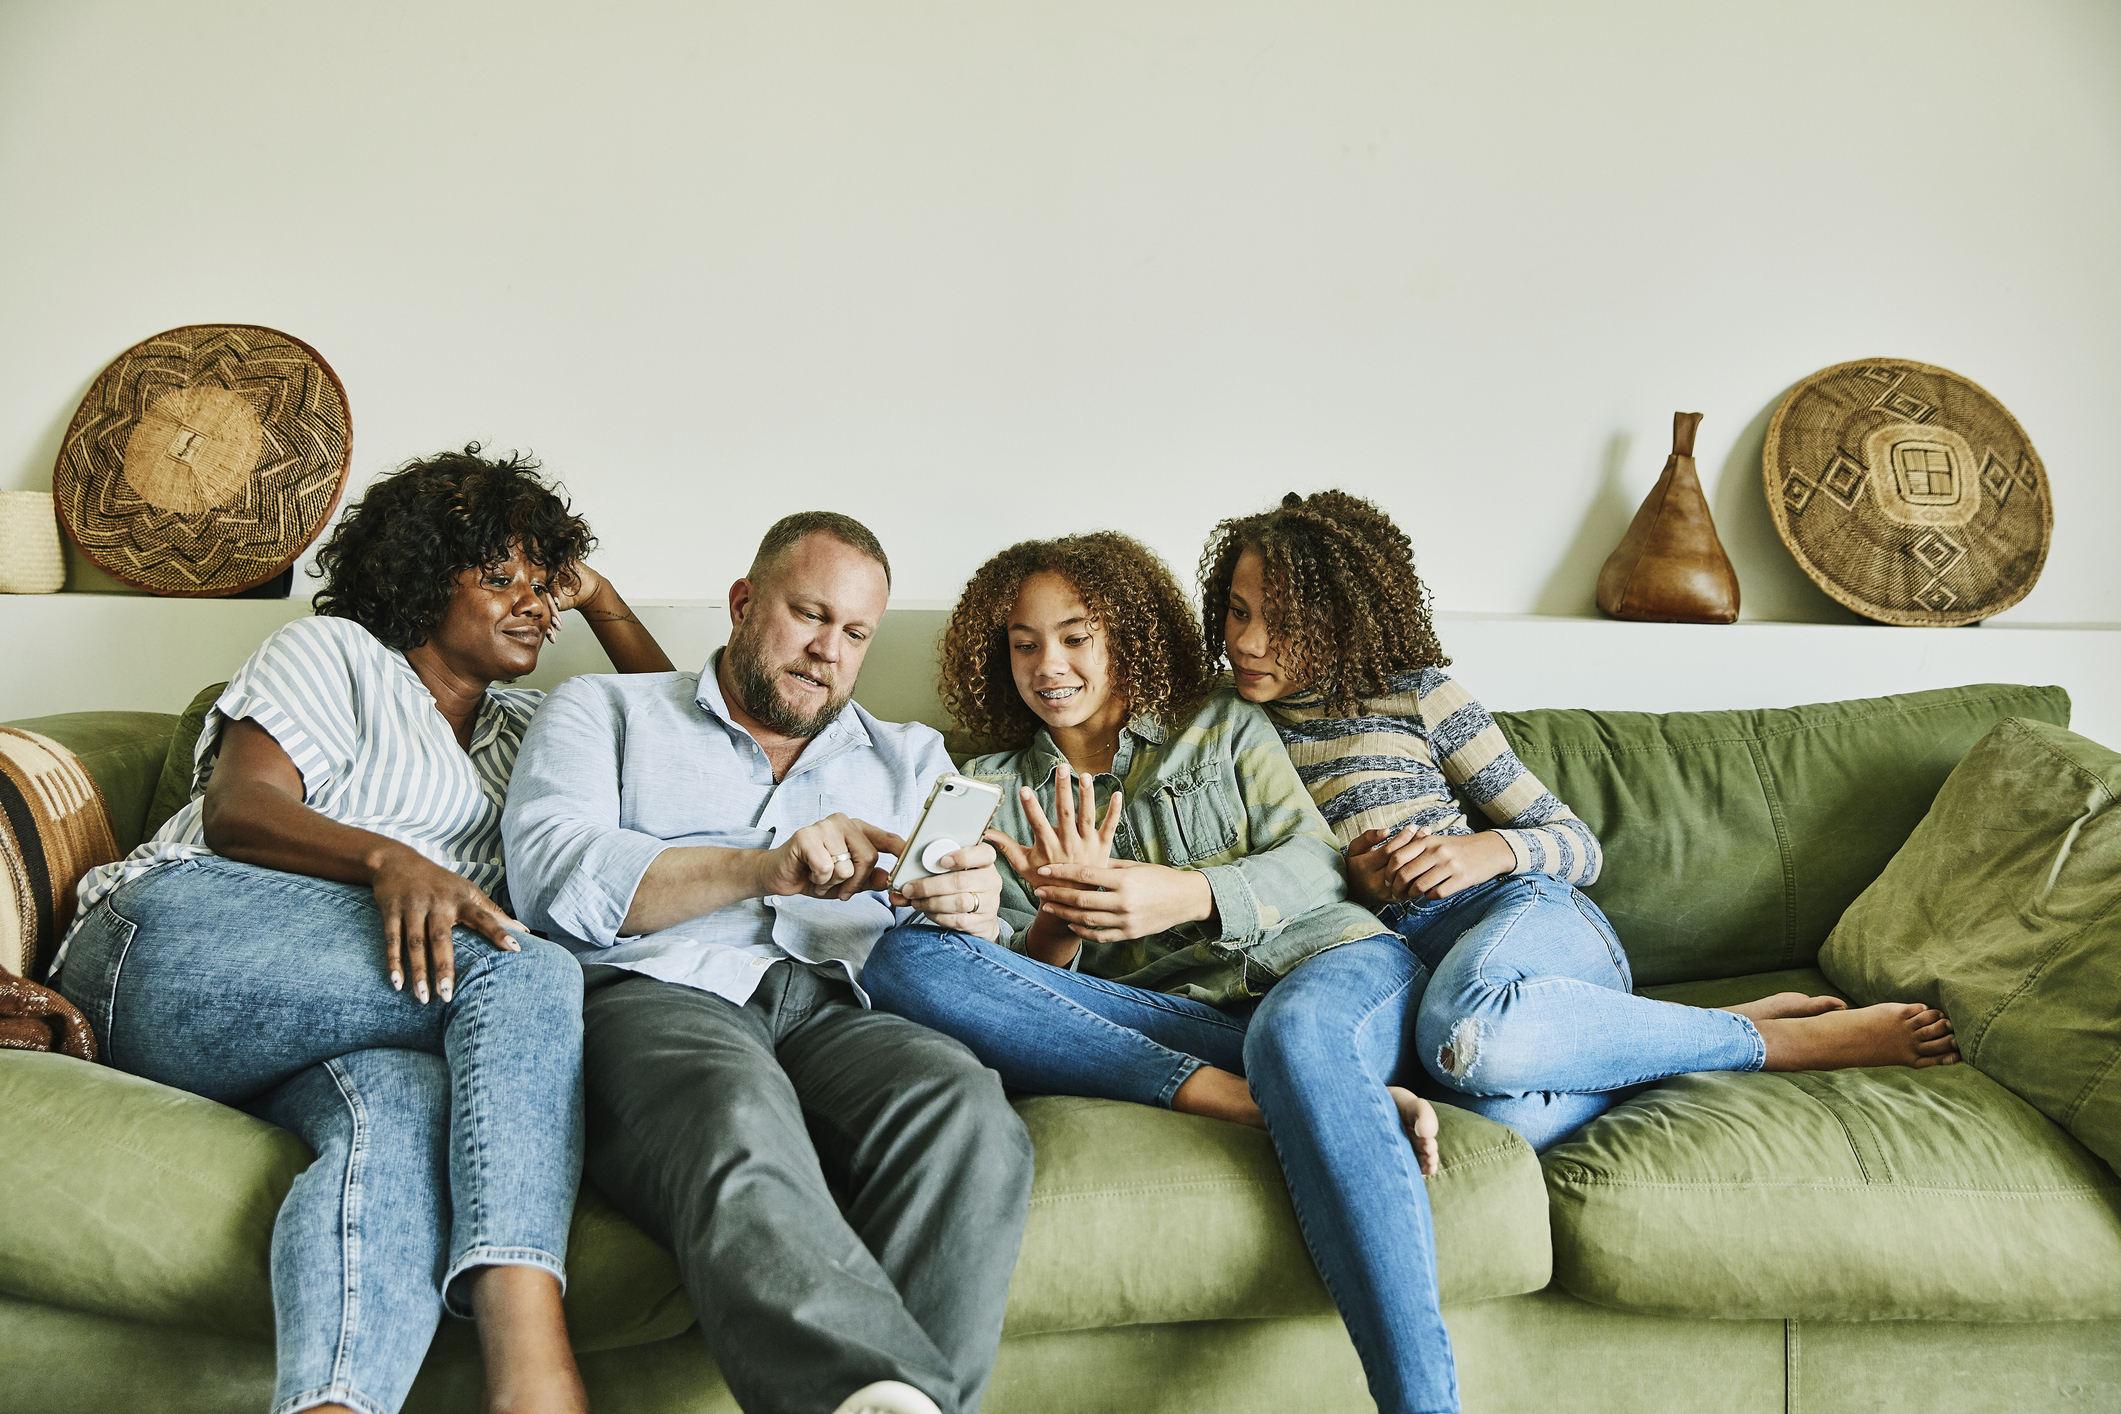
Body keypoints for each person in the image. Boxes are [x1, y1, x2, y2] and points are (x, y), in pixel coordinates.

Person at [53, 444, 676, 1414]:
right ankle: (533, 1371)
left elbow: (677, 746)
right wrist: (387, 858)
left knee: (407, 1110)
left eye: (545, 582)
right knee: (522, 968)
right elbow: (239, 808)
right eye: (501, 574)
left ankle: (331, 1401)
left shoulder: (532, 730)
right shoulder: (334, 652)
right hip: (172, 940)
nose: (535, 603)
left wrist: (600, 597)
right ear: (424, 573)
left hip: (349, 1017)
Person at [860, 531, 1461, 1414]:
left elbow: (1320, 867)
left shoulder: (1217, 723)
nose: (1047, 665)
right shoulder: (984, 786)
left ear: (1127, 634)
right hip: (1179, 1027)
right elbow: (1026, 993)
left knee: (1297, 1035)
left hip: (1324, 969)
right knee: (903, 958)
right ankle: (1276, 1093)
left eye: (1074, 636)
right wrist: (1060, 925)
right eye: (1022, 643)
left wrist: (1186, 895)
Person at [1201, 489, 1960, 1150]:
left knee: (1470, 1033)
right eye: (1236, 612)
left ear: (1347, 620)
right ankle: (1661, 1036)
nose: (1246, 643)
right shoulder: (1222, 728)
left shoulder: (1418, 695)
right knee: (1496, 1122)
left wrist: (1484, 853)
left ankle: (1769, 1042)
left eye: (1284, 624)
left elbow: (1574, 845)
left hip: (1514, 914)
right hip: (1396, 964)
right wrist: (1353, 884)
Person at [500, 511, 1032, 1414]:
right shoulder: (604, 708)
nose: (829, 649)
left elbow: (993, 948)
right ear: (745, 603)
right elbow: (551, 881)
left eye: (855, 632)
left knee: (967, 1109)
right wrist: (763, 868)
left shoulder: (914, 759)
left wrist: (970, 911)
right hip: (660, 996)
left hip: (841, 1010)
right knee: (732, 1108)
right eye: (808, 614)